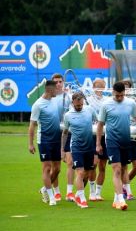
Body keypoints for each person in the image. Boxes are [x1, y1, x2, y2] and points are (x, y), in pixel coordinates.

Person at [96, 81, 136, 211]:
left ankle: (116, 199)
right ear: (113, 92)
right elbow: (100, 124)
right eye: (117, 95)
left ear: (125, 93)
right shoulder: (106, 105)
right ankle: (121, 199)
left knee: (123, 169)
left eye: (122, 95)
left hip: (125, 140)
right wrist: (98, 143)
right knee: (116, 169)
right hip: (112, 140)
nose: (119, 98)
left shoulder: (130, 103)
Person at [28, 80, 62, 206]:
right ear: (49, 90)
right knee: (47, 168)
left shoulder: (54, 100)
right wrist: (30, 144)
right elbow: (32, 125)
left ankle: (44, 189)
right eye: (55, 89)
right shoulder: (38, 105)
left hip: (56, 140)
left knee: (57, 169)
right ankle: (51, 196)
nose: (57, 91)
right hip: (44, 140)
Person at [61, 92, 97, 209]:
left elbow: (99, 123)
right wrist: (62, 149)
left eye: (81, 105)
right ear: (72, 103)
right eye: (77, 105)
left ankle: (78, 194)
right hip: (76, 147)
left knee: (86, 174)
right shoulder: (68, 115)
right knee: (80, 172)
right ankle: (82, 199)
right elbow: (65, 132)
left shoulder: (89, 110)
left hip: (89, 146)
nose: (79, 107)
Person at [51, 73, 73, 202]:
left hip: (67, 132)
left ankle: (69, 192)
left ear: (63, 82)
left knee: (70, 162)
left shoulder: (68, 97)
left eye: (60, 81)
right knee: (56, 166)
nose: (58, 84)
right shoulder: (49, 98)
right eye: (56, 82)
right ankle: (56, 191)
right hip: (54, 133)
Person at [121, 79, 136, 200]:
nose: (126, 89)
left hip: (133, 136)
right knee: (124, 166)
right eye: (124, 87)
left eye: (127, 87)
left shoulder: (134, 103)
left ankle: (123, 185)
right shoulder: (115, 103)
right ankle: (128, 192)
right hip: (123, 136)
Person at [89, 78, 108, 201]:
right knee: (93, 164)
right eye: (97, 86)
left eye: (102, 86)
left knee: (102, 165)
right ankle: (91, 191)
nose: (99, 88)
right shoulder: (89, 101)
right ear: (93, 87)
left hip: (105, 134)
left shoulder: (107, 101)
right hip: (92, 134)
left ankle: (98, 192)